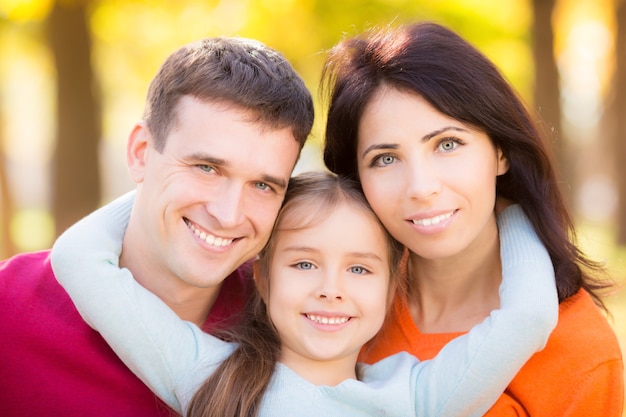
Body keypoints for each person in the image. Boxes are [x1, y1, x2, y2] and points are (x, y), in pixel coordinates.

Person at [51, 170, 557, 417]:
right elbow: (78, 260)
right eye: (305, 263)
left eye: (360, 269)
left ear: (392, 284)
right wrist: (166, 180)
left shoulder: (417, 396)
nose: (331, 290)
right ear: (265, 279)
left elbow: (529, 316)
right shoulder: (204, 372)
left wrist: (507, 207)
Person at [321, 21, 624, 416]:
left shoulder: (578, 350)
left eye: (447, 144)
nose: (421, 187)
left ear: (500, 152)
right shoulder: (329, 308)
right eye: (386, 158)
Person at [0, 36, 314, 417]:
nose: (229, 215)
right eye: (207, 168)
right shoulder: (9, 311)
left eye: (263, 185)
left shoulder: (303, 323)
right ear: (141, 153)